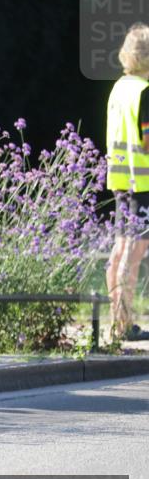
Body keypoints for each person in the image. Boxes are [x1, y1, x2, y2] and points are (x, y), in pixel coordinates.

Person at [106, 22, 149, 342]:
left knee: (120, 252)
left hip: (121, 180)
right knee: (133, 255)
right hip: (143, 184)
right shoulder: (145, 93)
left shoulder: (120, 88)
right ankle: (125, 325)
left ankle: (115, 321)